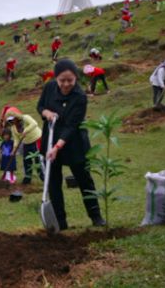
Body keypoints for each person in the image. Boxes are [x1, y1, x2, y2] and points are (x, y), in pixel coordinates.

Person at [37, 59, 105, 230]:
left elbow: (71, 126)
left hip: (73, 142)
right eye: (62, 80)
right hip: (50, 138)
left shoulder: (80, 97)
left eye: (70, 80)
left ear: (76, 78)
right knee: (53, 182)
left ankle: (96, 216)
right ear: (56, 78)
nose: (66, 84)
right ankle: (61, 222)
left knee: (84, 179)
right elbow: (40, 106)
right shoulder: (50, 88)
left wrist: (57, 147)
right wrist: (47, 113)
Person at [5, 109, 43, 184]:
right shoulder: (13, 128)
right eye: (10, 120)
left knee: (38, 159)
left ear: (16, 117)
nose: (12, 121)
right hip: (26, 143)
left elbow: (34, 123)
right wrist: (14, 150)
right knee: (26, 160)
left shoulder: (25, 118)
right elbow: (16, 139)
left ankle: (42, 176)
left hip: (37, 140)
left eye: (13, 119)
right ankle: (27, 177)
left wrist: (25, 131)